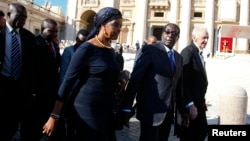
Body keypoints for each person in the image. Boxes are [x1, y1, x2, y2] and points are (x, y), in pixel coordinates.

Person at [42, 7, 123, 141]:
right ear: (102, 24)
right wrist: (54, 116)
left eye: (121, 26)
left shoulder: (109, 49)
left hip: (105, 110)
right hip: (87, 110)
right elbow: (67, 81)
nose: (119, 29)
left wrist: (121, 78)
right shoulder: (86, 48)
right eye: (116, 25)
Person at [122, 23, 189, 141]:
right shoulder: (150, 50)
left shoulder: (179, 58)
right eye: (167, 32)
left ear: (178, 37)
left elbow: (178, 87)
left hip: (168, 113)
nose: (170, 36)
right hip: (150, 111)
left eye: (174, 33)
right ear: (162, 34)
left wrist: (183, 111)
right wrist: (127, 107)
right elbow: (135, 79)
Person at [19, 18, 63, 141]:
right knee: (31, 127)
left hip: (50, 94)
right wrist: (31, 92)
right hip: (35, 94)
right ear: (43, 29)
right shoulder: (34, 43)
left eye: (56, 32)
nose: (54, 34)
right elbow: (28, 69)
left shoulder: (54, 45)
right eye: (51, 31)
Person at [0, 3, 37, 141]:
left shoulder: (29, 37)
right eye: (19, 16)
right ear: (9, 15)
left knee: (13, 123)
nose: (23, 20)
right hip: (3, 84)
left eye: (25, 18)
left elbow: (32, 65)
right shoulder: (1, 32)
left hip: (20, 87)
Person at [180, 26, 209, 141]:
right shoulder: (188, 52)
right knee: (193, 135)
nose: (206, 41)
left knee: (200, 133)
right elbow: (182, 80)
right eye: (204, 38)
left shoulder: (197, 52)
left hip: (198, 102)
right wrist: (190, 104)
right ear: (194, 38)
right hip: (192, 105)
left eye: (207, 38)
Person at [59, 28, 89, 140]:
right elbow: (64, 74)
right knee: (68, 120)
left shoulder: (89, 53)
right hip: (69, 93)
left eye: (83, 42)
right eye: (79, 40)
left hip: (83, 94)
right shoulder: (69, 51)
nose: (80, 44)